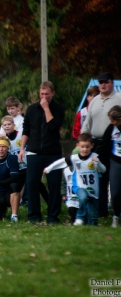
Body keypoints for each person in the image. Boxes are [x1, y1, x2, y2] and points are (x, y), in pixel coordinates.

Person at [19, 81, 64, 224]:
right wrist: (22, 149)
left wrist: (46, 108)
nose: (44, 97)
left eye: (47, 94)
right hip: (33, 152)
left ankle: (53, 216)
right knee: (32, 184)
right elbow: (26, 130)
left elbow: (53, 126)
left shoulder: (58, 109)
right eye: (42, 94)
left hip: (53, 153)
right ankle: (33, 216)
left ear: (53, 93)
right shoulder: (31, 109)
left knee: (54, 184)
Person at [44, 133, 106, 226]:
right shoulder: (74, 158)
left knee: (93, 216)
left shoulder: (95, 157)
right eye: (82, 147)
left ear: (92, 146)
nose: (85, 149)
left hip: (93, 189)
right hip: (79, 186)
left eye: (87, 147)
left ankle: (92, 229)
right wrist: (49, 168)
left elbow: (103, 170)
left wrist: (98, 164)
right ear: (78, 146)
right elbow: (61, 162)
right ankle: (80, 217)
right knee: (83, 197)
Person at [82, 72, 121, 218]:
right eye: (101, 82)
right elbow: (88, 122)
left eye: (106, 82)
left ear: (112, 83)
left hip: (116, 142)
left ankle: (117, 211)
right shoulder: (95, 100)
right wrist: (83, 139)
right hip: (97, 142)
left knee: (115, 177)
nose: (103, 85)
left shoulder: (119, 98)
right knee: (100, 177)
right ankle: (101, 211)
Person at [96, 105, 121, 227]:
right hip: (116, 162)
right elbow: (104, 143)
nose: (111, 122)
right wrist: (94, 156)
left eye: (114, 120)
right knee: (115, 192)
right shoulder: (112, 128)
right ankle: (116, 215)